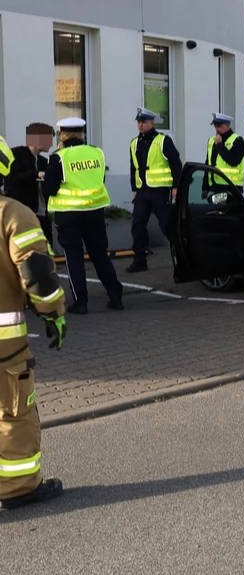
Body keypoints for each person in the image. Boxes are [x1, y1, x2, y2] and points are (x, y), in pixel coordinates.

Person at [0, 136, 67, 512]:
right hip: (5, 347)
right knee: (14, 412)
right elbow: (39, 278)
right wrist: (54, 317)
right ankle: (18, 487)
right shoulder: (13, 213)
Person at [42, 118, 124, 314]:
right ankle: (115, 297)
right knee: (99, 255)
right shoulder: (97, 153)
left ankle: (81, 302)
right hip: (94, 212)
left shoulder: (59, 157)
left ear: (62, 134)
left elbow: (49, 188)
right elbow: (99, 179)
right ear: (82, 134)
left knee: (74, 257)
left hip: (69, 215)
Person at [127, 108, 181, 273]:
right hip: (143, 191)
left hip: (160, 191)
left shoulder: (163, 140)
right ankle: (139, 260)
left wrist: (175, 187)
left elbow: (176, 164)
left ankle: (181, 257)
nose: (140, 125)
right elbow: (133, 168)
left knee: (166, 225)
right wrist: (134, 188)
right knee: (137, 225)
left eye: (144, 122)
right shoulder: (134, 143)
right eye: (139, 122)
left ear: (152, 123)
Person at [2, 123, 53, 248]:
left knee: (45, 248)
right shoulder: (16, 154)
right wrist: (35, 174)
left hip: (42, 213)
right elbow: (12, 179)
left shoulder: (43, 161)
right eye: (48, 139)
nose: (51, 144)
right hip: (22, 213)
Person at [203, 112, 244, 194]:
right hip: (214, 187)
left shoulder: (237, 141)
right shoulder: (212, 141)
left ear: (228, 125)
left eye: (219, 125)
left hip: (231, 188)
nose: (217, 128)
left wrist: (219, 145)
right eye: (215, 125)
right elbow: (208, 164)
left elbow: (234, 161)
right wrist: (205, 187)